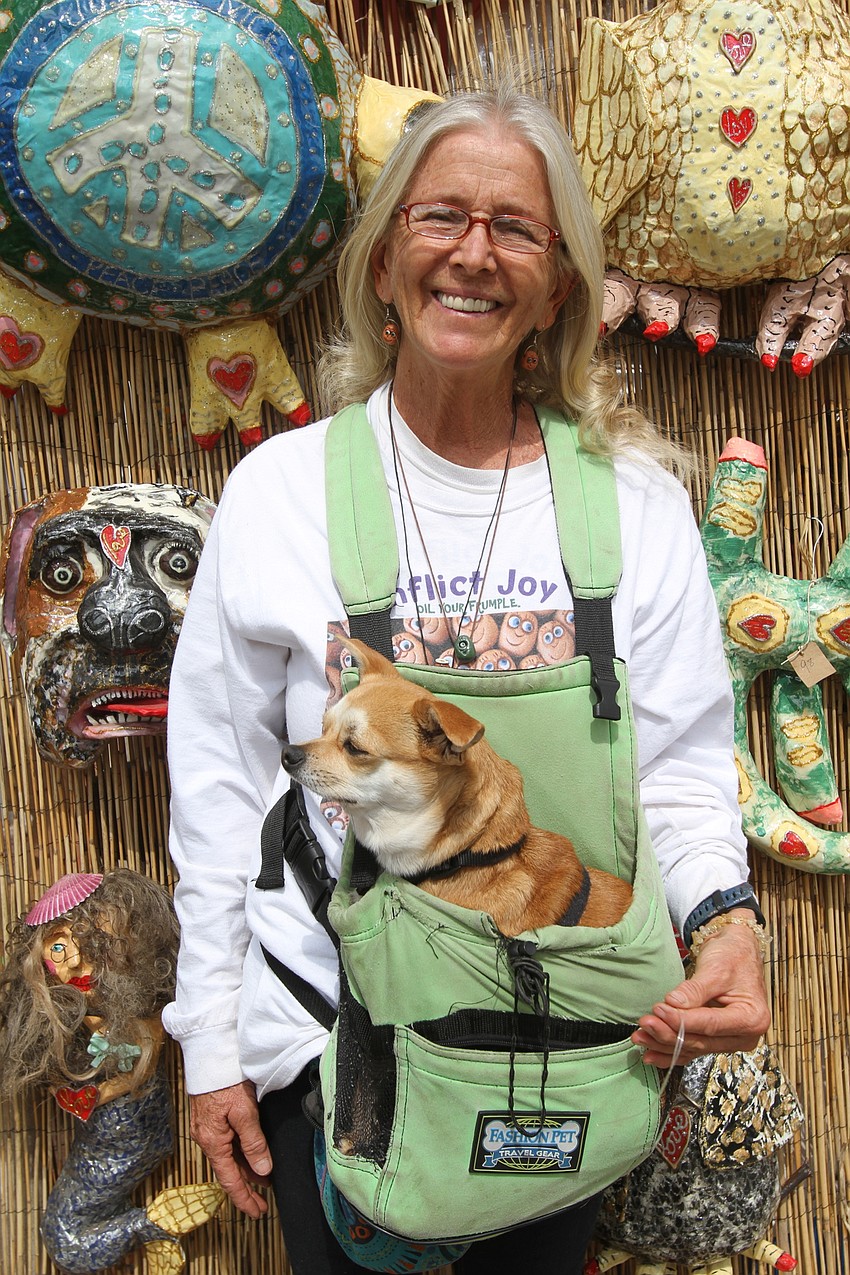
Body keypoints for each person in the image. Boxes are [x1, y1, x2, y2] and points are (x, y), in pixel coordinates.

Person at [162, 81, 771, 1274]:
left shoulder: (632, 506)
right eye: (440, 217)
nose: (473, 254)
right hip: (333, 1049)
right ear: (385, 259)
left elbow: (686, 768)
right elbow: (218, 788)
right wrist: (213, 1044)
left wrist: (724, 918)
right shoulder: (281, 494)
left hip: (573, 1049)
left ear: (557, 285)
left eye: (516, 229)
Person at [0, 869, 223, 1273]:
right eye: (58, 950)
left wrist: (98, 1094)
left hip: (128, 1131)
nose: (75, 963)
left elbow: (142, 1066)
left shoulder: (140, 1021)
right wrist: (64, 1088)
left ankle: (151, 1222)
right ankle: (148, 1224)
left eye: (89, 945)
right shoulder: (78, 1021)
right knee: (64, 1234)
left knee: (64, 1236)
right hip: (103, 1134)